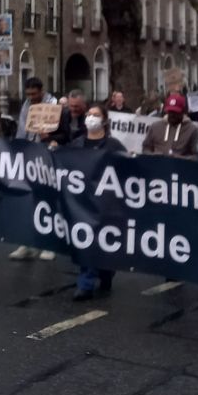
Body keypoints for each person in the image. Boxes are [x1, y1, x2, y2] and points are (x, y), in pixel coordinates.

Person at [71, 104, 127, 300]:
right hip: (82, 202)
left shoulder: (113, 146)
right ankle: (86, 283)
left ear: (104, 120)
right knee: (86, 241)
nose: (90, 118)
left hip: (106, 204)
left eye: (95, 115)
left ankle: (105, 271)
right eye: (89, 114)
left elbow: (126, 171)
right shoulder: (77, 144)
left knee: (101, 242)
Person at [11, 76, 57, 261]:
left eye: (34, 94)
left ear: (41, 91)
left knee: (48, 201)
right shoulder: (26, 106)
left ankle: (49, 244)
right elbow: (22, 130)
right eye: (28, 94)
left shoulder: (53, 104)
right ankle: (27, 243)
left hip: (48, 156)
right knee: (30, 201)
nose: (31, 97)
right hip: (30, 156)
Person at [142, 93, 198, 159]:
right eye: (170, 111)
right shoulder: (155, 127)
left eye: (175, 112)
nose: (172, 115)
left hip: (181, 168)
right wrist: (154, 156)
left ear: (183, 112)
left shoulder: (193, 130)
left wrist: (180, 159)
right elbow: (146, 148)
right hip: (157, 166)